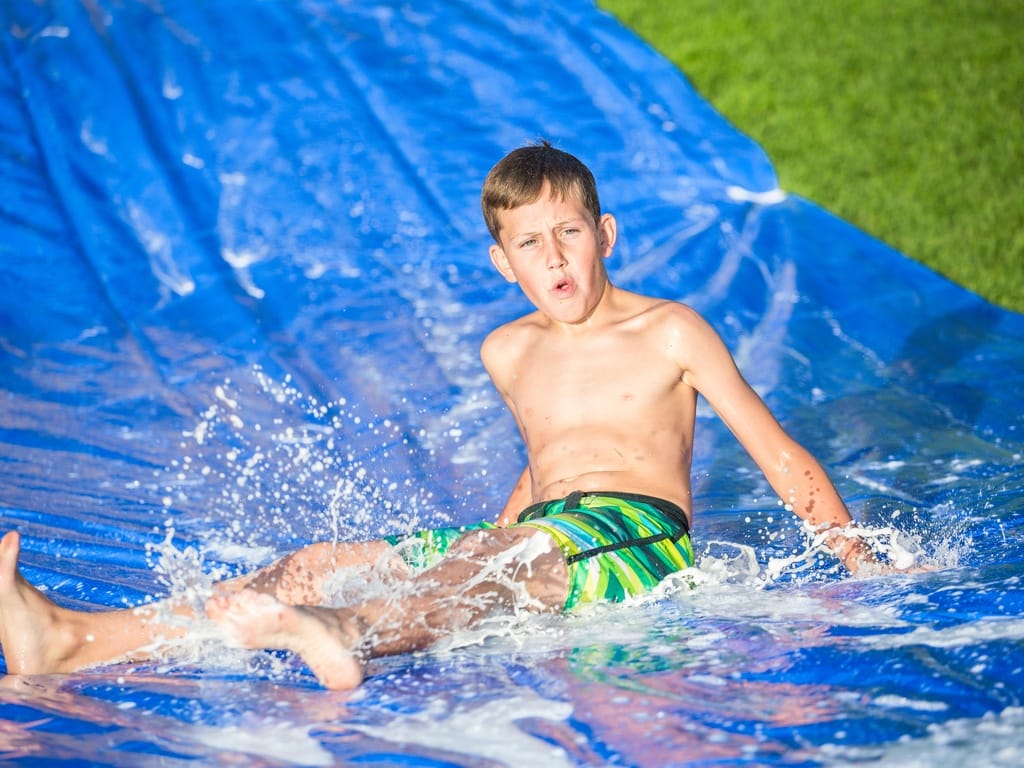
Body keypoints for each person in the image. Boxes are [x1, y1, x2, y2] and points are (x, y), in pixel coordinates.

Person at [0, 142, 889, 690]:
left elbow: (776, 452)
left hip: (636, 536)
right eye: (530, 243)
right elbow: (547, 464)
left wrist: (854, 560)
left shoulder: (670, 331)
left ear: (605, 234)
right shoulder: (510, 351)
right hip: (546, 530)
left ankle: (345, 636)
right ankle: (74, 642)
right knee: (315, 565)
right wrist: (479, 544)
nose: (556, 258)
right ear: (503, 263)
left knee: (489, 565)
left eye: (569, 233)